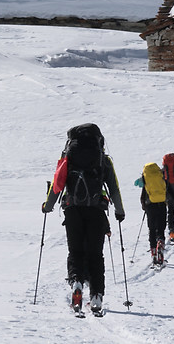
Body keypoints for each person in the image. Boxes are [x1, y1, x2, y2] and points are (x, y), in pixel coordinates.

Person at [42, 122, 126, 316]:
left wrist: (47, 207)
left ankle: (76, 282)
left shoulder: (67, 158)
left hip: (72, 210)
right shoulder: (103, 160)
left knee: (75, 251)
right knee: (96, 255)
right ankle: (96, 295)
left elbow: (57, 184)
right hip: (96, 211)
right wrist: (119, 211)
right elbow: (114, 188)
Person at [138, 161, 169, 265]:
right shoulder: (161, 177)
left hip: (150, 207)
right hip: (162, 205)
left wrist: (144, 206)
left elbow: (143, 195)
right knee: (161, 228)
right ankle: (160, 242)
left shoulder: (146, 180)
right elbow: (167, 189)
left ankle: (153, 253)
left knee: (151, 229)